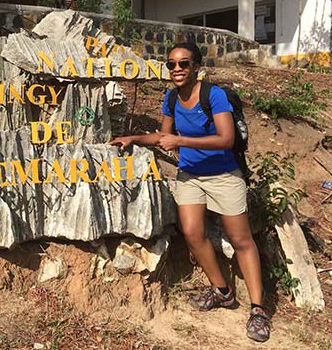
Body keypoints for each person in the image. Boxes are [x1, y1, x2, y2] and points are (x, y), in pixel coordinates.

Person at [108, 43, 270, 343]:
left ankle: (258, 309)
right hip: (191, 176)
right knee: (193, 233)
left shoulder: (214, 95)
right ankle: (222, 291)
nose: (177, 69)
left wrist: (181, 141)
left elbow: (225, 139)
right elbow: (163, 136)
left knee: (240, 239)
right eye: (171, 64)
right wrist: (133, 138)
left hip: (224, 175)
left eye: (183, 63)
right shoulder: (171, 98)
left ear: (196, 66)